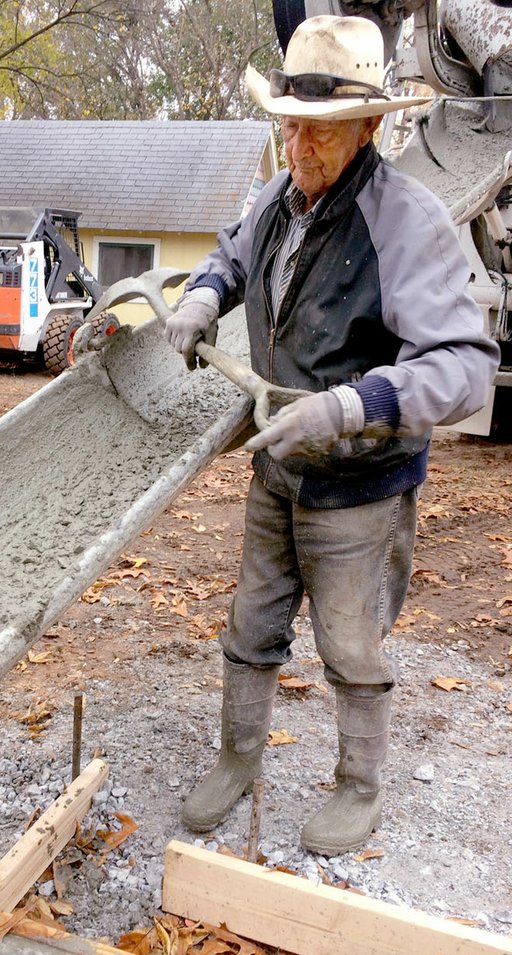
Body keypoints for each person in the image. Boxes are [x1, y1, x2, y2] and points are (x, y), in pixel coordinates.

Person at [165, 15, 499, 856]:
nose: (297, 142)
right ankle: (238, 760)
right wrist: (206, 293)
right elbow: (233, 255)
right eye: (288, 122)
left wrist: (352, 406)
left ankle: (360, 786)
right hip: (280, 469)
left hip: (360, 486)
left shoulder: (408, 222)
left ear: (371, 125)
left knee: (350, 645)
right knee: (250, 625)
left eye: (316, 130)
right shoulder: (281, 199)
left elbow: (462, 365)